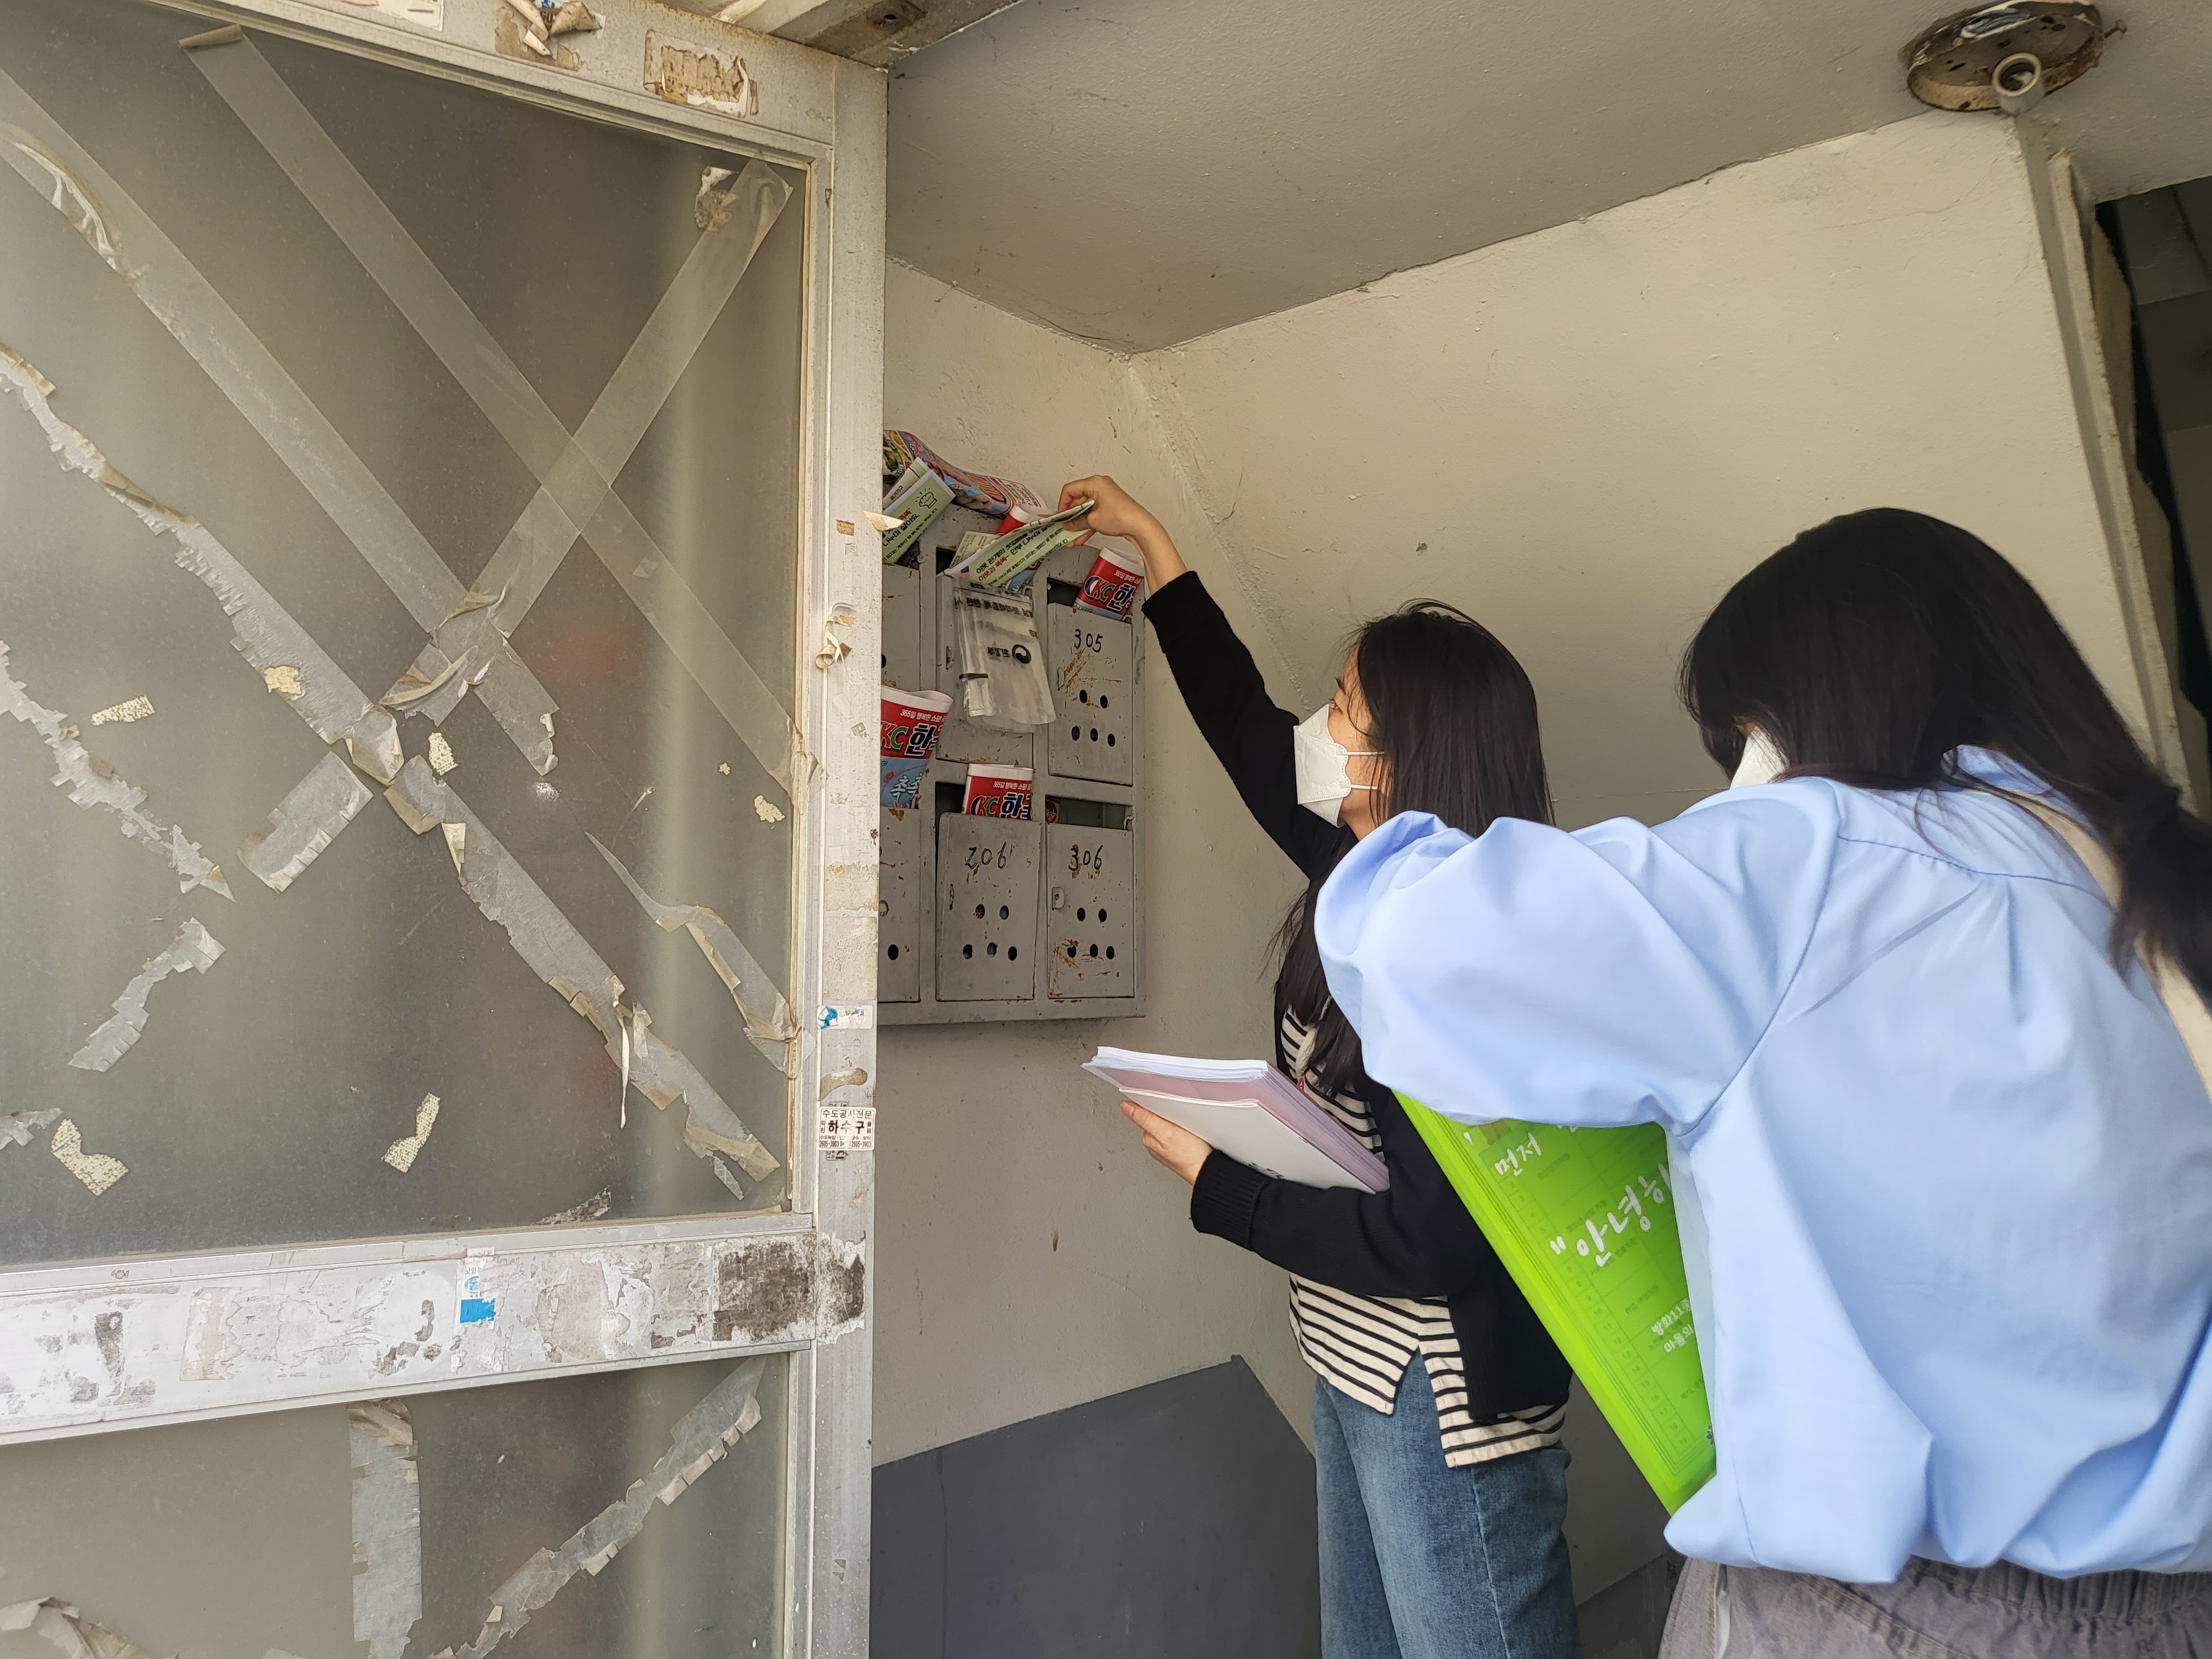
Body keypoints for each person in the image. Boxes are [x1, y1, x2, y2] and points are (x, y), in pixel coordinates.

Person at [1312, 507, 2212, 1658]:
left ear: (1793, 713)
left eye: (1737, 735)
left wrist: (1382, 822)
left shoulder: (1809, 860)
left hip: (1893, 1611)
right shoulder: (2137, 874)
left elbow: (1419, 951)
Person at [1057, 476, 1583, 1659]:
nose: (1317, 725)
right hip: (1355, 1363)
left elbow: (1433, 1242)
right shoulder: (1363, 868)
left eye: (1342, 710)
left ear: (1399, 764)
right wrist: (1154, 548)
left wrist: (1221, 1184)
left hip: (1441, 1401)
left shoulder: (1449, 952)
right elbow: (1246, 731)